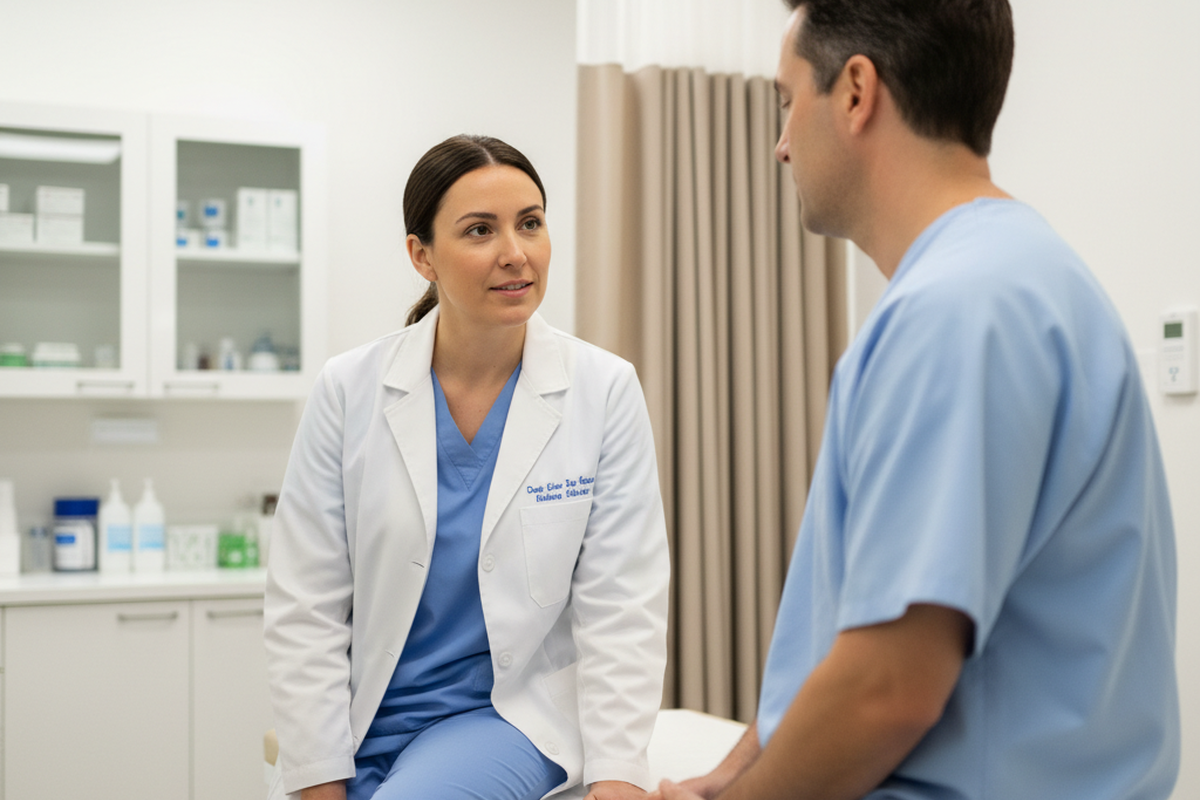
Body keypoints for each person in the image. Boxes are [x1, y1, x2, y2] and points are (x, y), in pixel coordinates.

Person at [657, 1, 1180, 798]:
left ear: (857, 92)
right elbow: (848, 639)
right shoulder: (1019, 275)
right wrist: (725, 779)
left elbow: (886, 688)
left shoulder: (956, 310)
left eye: (786, 101)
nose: (781, 144)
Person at [265, 134, 669, 800]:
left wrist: (619, 777)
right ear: (421, 256)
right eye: (480, 230)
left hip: (504, 718)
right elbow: (305, 604)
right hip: (366, 720)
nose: (516, 253)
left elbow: (623, 604)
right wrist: (319, 782)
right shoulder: (349, 389)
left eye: (530, 223)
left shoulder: (603, 388)